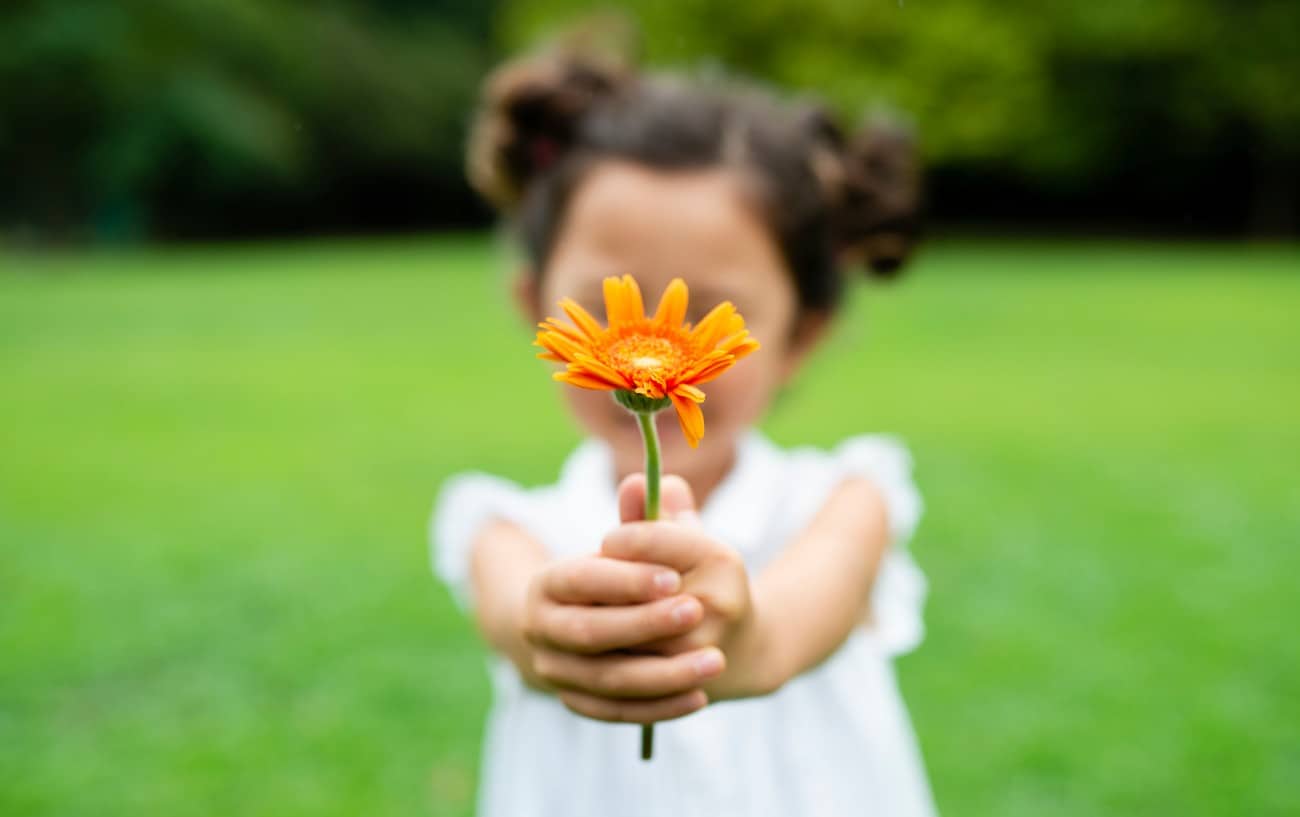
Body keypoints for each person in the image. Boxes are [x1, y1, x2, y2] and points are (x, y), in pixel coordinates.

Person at [432, 43, 935, 817]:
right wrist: (556, 632)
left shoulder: (846, 502)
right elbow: (520, 621)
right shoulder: (504, 527)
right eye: (603, 307)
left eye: (704, 316)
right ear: (537, 304)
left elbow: (796, 620)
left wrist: (744, 642)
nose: (649, 352)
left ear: (802, 334)